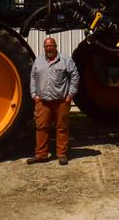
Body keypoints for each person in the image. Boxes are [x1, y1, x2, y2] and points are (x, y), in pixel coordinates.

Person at [27, 37, 79, 165]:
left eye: (50, 46)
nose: (48, 48)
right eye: (46, 46)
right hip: (43, 101)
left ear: (56, 46)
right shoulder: (38, 61)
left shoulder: (66, 60)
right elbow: (33, 77)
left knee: (62, 127)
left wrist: (70, 95)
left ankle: (61, 154)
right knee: (41, 127)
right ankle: (41, 154)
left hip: (61, 101)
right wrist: (34, 95)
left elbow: (75, 76)